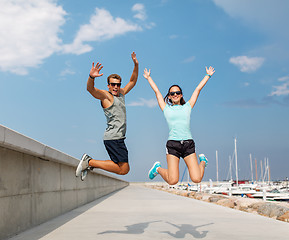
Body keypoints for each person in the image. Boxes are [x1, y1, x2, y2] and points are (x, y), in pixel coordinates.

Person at [143, 66, 215, 185]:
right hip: (173, 145)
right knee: (173, 180)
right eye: (172, 93)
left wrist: (207, 75)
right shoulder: (166, 108)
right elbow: (157, 92)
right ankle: (158, 169)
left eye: (178, 92)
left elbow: (197, 90)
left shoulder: (188, 106)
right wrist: (149, 78)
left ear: (181, 95)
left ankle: (203, 162)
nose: (175, 94)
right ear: (169, 96)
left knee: (196, 179)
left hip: (188, 144)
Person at [75, 52, 139, 180]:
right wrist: (91, 77)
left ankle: (90, 163)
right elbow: (91, 90)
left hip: (118, 137)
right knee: (124, 169)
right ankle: (89, 162)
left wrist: (136, 64)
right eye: (113, 84)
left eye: (118, 84)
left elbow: (132, 81)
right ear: (108, 85)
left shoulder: (121, 94)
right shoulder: (106, 96)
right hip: (113, 137)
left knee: (122, 168)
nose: (116, 87)